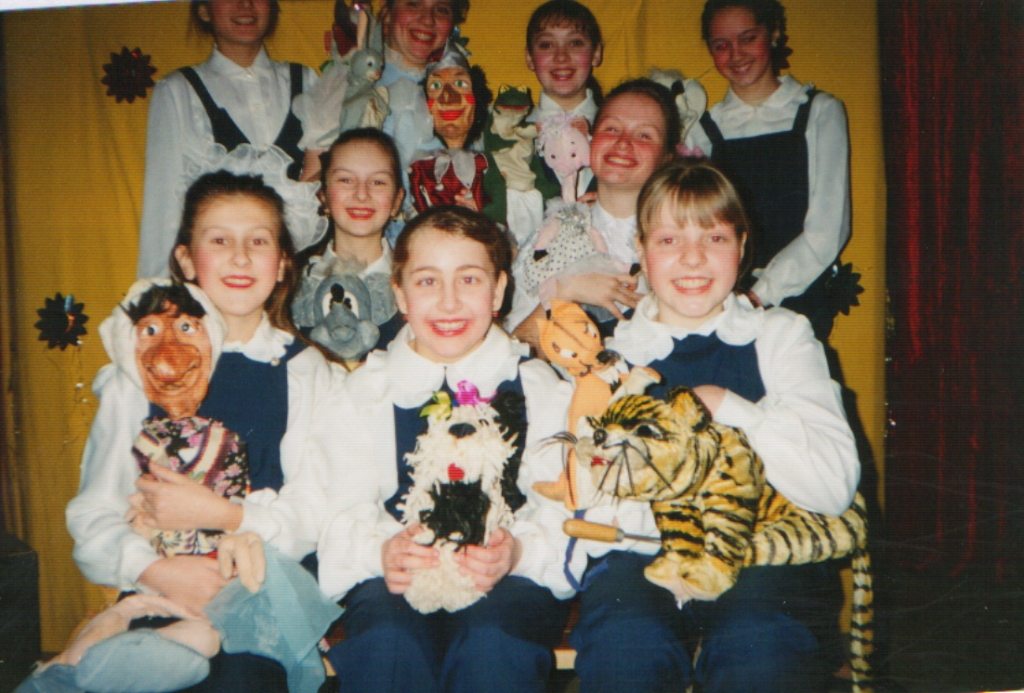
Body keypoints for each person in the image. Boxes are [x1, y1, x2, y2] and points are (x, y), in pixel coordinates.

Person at [563, 161, 859, 693]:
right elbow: (589, 490)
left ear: (742, 246)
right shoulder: (611, 356)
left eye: (715, 237)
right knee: (625, 648)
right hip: (642, 553)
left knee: (759, 648)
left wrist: (727, 405)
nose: (693, 257)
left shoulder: (782, 336)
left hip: (763, 552)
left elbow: (833, 489)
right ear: (641, 249)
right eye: (669, 239)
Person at [68, 172, 339, 692]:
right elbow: (94, 512)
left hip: (262, 587)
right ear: (187, 259)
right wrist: (152, 570)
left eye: (258, 241)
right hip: (159, 586)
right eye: (219, 240)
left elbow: (314, 508)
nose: (240, 257)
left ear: (283, 262)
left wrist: (225, 515)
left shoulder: (306, 371)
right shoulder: (139, 368)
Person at [316, 206, 574, 693]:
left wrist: (518, 551)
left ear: (498, 291)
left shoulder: (536, 386)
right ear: (400, 294)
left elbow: (561, 502)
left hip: (505, 577)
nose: (449, 302)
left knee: (493, 642)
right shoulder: (365, 390)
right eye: (428, 281)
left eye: (469, 279)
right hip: (398, 576)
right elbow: (339, 506)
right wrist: (381, 550)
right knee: (388, 644)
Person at [687, 0, 850, 340]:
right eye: (721, 45)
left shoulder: (819, 111)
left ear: (774, 33)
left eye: (748, 38)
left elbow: (828, 229)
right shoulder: (702, 129)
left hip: (798, 297)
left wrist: (758, 295)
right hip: (722, 302)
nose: (736, 55)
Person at [137, 0, 320, 279]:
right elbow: (163, 208)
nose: (245, 4)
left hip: (304, 279)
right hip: (226, 280)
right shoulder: (178, 92)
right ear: (204, 9)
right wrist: (159, 293)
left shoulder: (307, 81)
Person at [510, 78, 679, 344]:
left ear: (667, 158)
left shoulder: (684, 241)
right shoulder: (550, 237)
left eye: (644, 135)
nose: (623, 142)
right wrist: (564, 289)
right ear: (591, 140)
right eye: (612, 129)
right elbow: (517, 348)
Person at [297, 0, 468, 181]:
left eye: (441, 9)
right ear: (387, 12)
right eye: (414, 4)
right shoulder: (348, 81)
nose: (428, 20)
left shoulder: (464, 90)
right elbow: (312, 180)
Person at [293, 128, 407, 365]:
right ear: (323, 196)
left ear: (397, 201)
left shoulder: (413, 284)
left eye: (377, 182)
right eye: (346, 180)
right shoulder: (294, 286)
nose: (362, 194)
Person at [524, 0, 604, 198]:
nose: (561, 56)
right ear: (529, 58)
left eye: (575, 43)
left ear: (596, 53)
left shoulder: (617, 129)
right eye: (547, 45)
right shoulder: (511, 131)